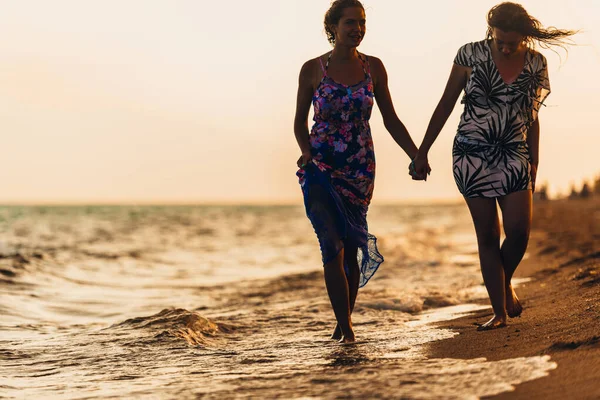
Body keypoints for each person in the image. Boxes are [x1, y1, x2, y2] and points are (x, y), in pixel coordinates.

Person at [411, 2, 576, 330]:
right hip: (470, 155)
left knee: (519, 233)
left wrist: (535, 160)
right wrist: (422, 151)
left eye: (511, 42)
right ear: (492, 31)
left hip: (514, 152)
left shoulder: (535, 63)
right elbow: (445, 104)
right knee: (487, 234)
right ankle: (499, 311)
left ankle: (504, 282)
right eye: (499, 40)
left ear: (524, 37)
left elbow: (533, 116)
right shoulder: (469, 56)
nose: (504, 46)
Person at [294, 0, 423, 343]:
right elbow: (298, 123)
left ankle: (342, 321)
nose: (358, 29)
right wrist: (306, 153)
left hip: (359, 168)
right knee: (331, 245)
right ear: (333, 26)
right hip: (320, 168)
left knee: (351, 247)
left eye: (362, 22)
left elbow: (390, 119)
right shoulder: (312, 69)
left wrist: (416, 154)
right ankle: (347, 329)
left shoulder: (375, 68)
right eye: (350, 22)